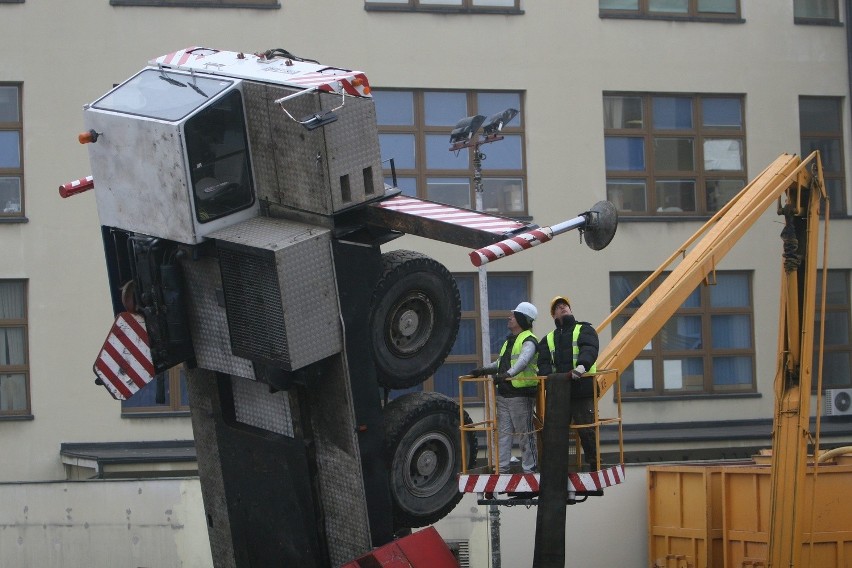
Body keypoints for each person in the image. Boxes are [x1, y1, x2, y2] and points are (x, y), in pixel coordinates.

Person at [471, 301, 540, 475]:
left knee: (525, 434)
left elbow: (523, 362)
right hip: (504, 394)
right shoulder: (510, 341)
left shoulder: (529, 341)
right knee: (503, 435)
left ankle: (529, 470)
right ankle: (501, 469)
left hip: (520, 395)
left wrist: (506, 375)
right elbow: (500, 363)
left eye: (513, 315)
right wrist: (483, 370)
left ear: (522, 320)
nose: (509, 318)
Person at [537, 295, 600, 471]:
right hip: (560, 392)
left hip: (582, 389)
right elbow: (543, 363)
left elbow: (589, 348)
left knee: (586, 429)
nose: (562, 307)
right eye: (558, 307)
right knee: (555, 432)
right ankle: (555, 467)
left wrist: (581, 367)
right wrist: (551, 378)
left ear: (570, 309)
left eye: (565, 305)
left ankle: (594, 463)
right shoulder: (548, 339)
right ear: (553, 315)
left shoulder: (584, 329)